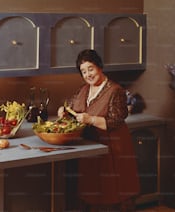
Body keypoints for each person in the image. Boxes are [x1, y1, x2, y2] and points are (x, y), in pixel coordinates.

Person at [58, 49, 140, 211]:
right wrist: (64, 110)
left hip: (112, 147)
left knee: (111, 192)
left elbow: (117, 120)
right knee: (92, 189)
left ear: (100, 67)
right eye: (83, 71)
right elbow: (72, 106)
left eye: (91, 69)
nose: (88, 74)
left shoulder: (115, 90)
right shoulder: (84, 89)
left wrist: (91, 119)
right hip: (91, 144)